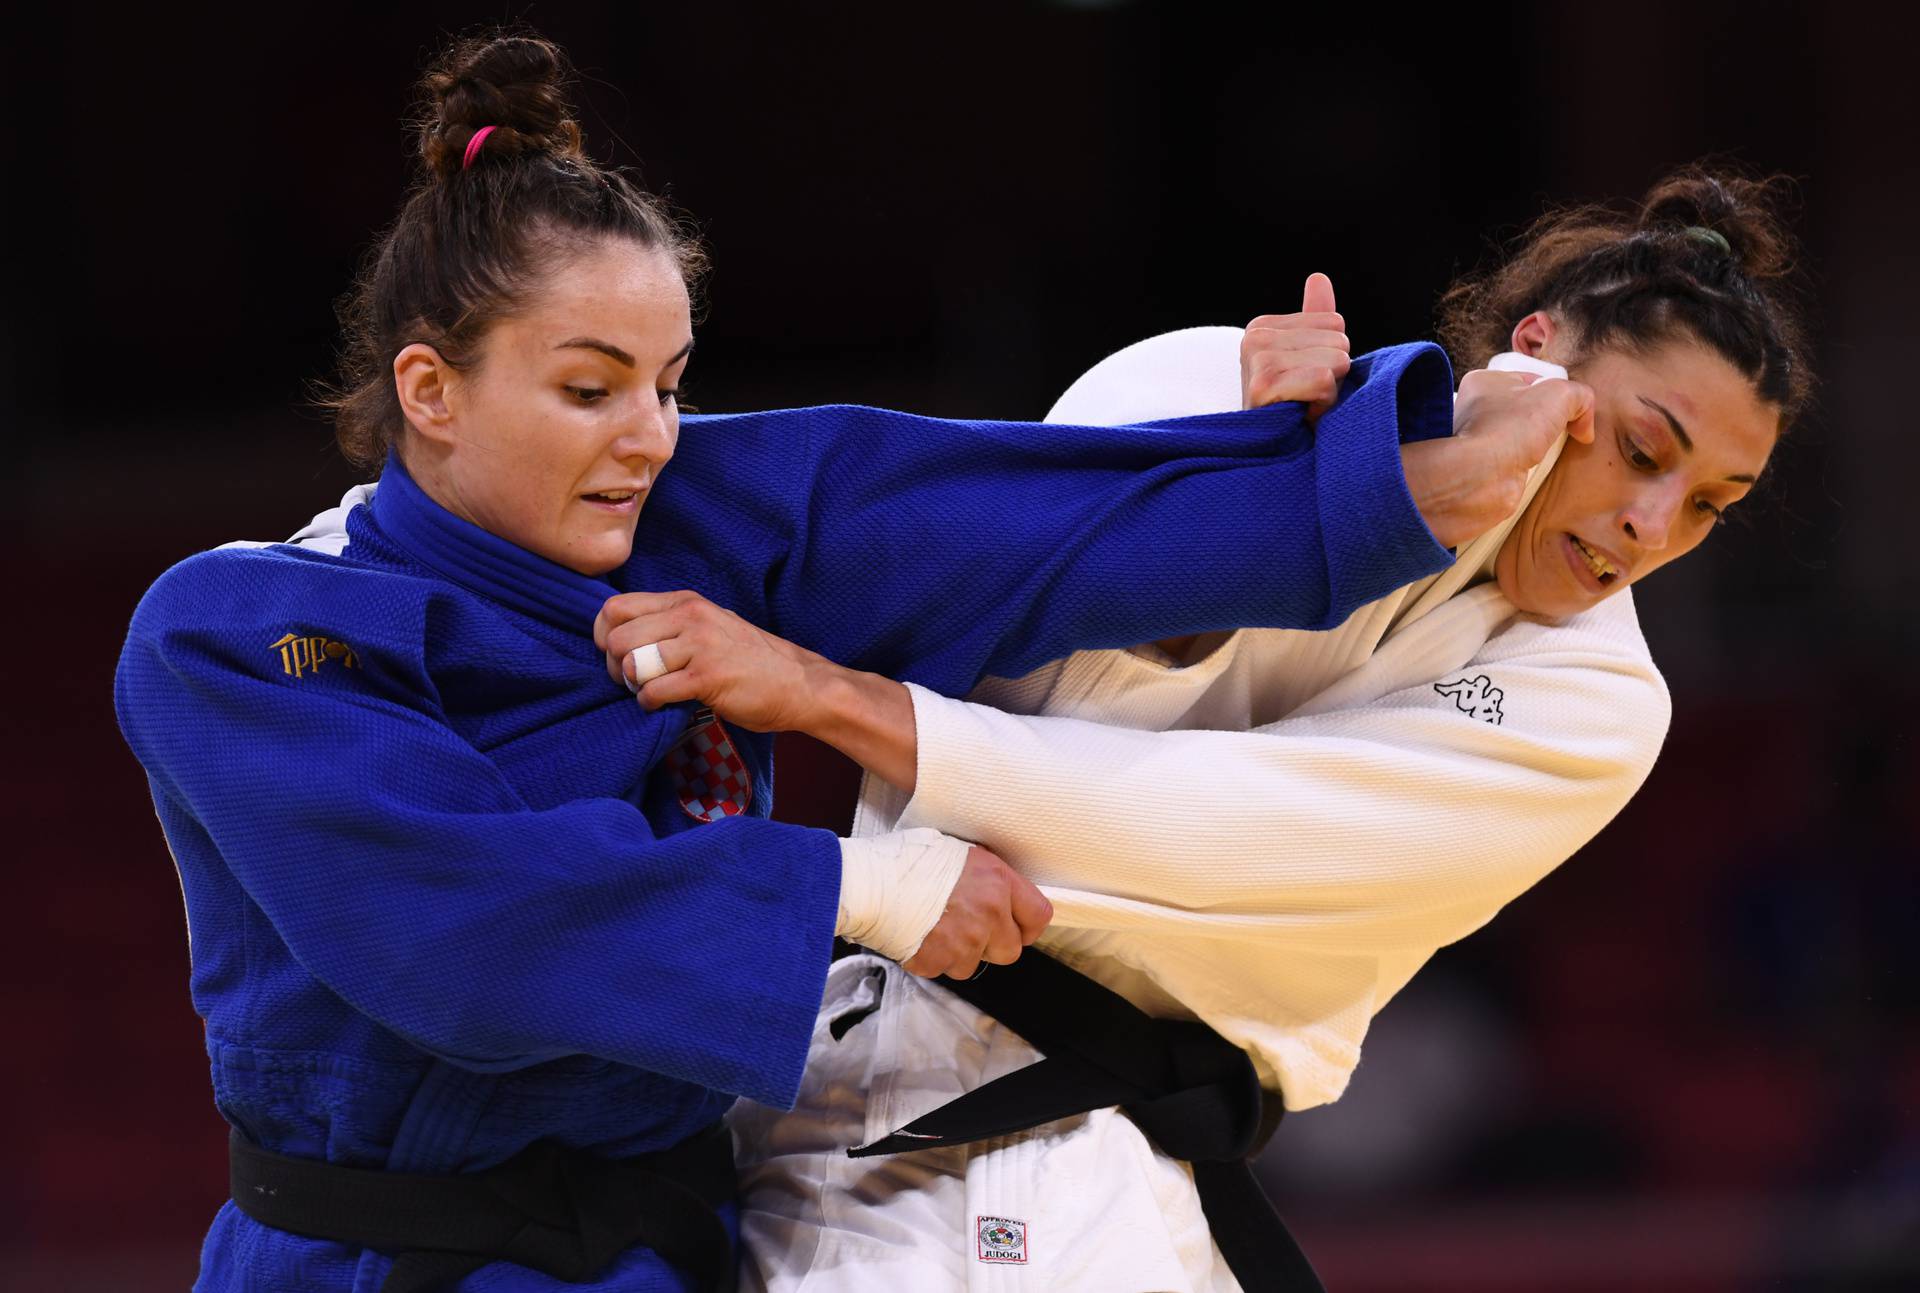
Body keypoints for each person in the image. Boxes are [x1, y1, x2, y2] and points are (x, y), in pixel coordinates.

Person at [111, 34, 1581, 1293]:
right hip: (363, 1260)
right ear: (428, 389)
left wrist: (1361, 466)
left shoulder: (687, 516)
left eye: (672, 385)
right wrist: (868, 888)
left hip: (667, 1245)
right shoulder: (232, 631)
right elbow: (459, 928)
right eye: (588, 388)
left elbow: (993, 520)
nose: (648, 436)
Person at [661, 170, 1813, 1292]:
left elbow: (1191, 832)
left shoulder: (1604, 703)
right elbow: (1015, 651)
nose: (1652, 524)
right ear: (1536, 350)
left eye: (1712, 503)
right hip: (883, 1082)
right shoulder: (1205, 380)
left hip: (1118, 1157)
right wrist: (1269, 474)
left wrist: (823, 698)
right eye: (1643, 450)